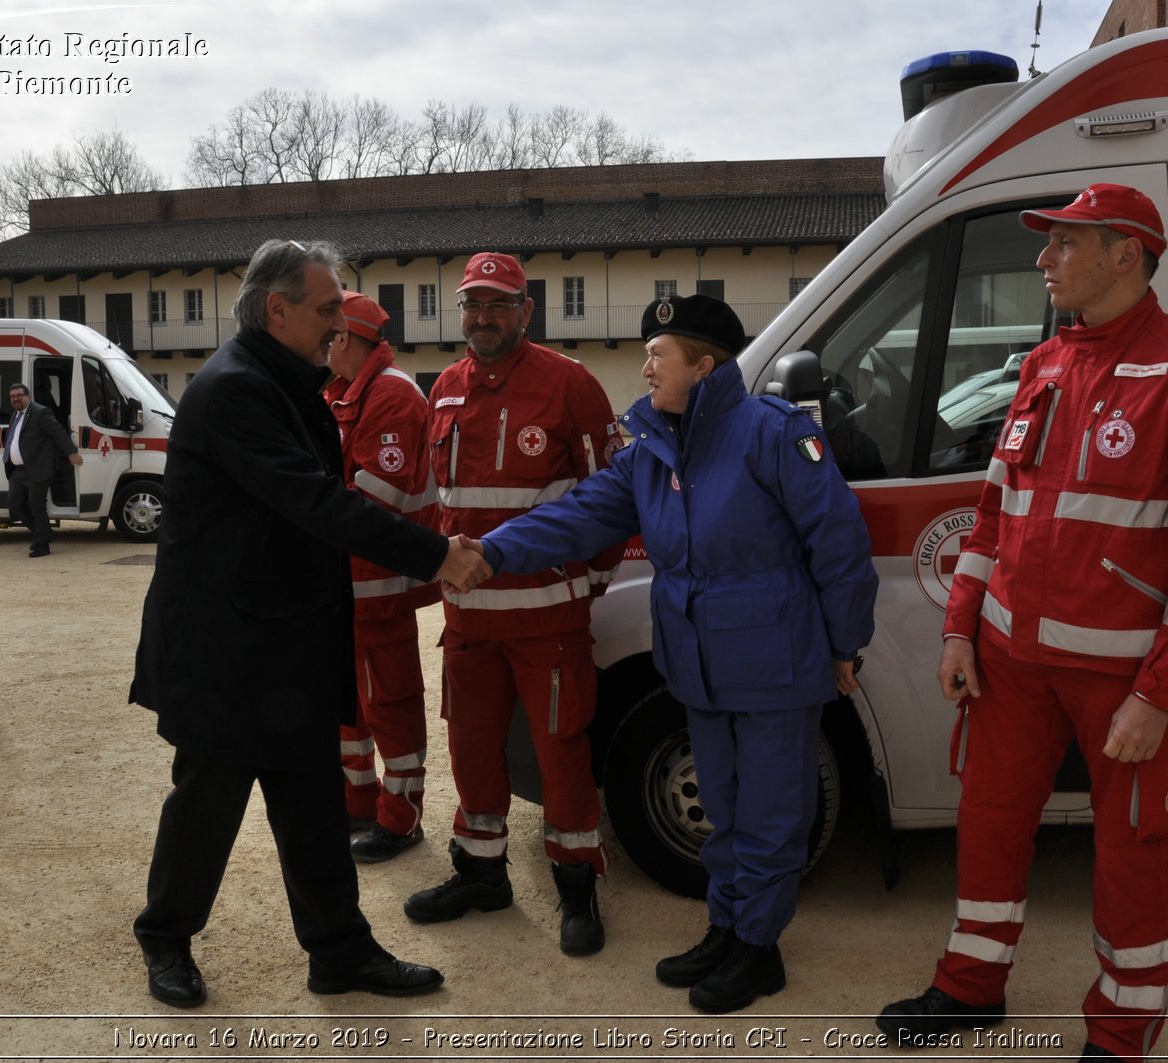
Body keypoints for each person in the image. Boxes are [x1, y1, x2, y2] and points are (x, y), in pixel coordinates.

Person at [875, 185, 1168, 1060]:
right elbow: (994, 512)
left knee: (1131, 854)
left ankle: (1120, 1034)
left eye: (1064, 244)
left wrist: (1158, 693)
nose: (1043, 259)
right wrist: (962, 629)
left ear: (1128, 255)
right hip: (1010, 661)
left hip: (1123, 679)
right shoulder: (1044, 364)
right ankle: (970, 986)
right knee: (989, 823)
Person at [467, 294, 877, 1013]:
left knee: (772, 815)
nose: (647, 364)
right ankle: (728, 929)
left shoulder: (771, 435)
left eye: (661, 353)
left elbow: (839, 545)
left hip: (776, 665)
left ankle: (759, 948)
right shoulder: (653, 449)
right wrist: (490, 552)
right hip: (700, 666)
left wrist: (846, 643)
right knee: (722, 807)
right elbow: (579, 514)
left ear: (704, 363)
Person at [129, 238, 488, 1009]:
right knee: (207, 805)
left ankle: (339, 951)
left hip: (285, 642)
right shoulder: (235, 390)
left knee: (316, 805)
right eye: (328, 308)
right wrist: (437, 554)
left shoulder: (288, 380)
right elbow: (317, 502)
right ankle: (165, 936)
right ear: (276, 308)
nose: (340, 321)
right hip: (226, 649)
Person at [405, 252, 624, 957]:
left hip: (547, 619)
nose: (483, 317)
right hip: (469, 623)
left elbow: (609, 501)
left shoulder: (570, 385)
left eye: (499, 304)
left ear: (526, 312)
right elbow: (441, 505)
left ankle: (576, 884)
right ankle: (480, 870)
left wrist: (585, 587)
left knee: (562, 753)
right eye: (472, 304)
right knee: (471, 748)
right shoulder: (442, 389)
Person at [324, 292, 441, 863]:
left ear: (344, 337)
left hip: (378, 580)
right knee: (348, 698)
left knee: (390, 700)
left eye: (326, 331)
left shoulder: (391, 393)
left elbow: (379, 497)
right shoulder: (346, 391)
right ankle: (359, 800)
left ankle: (402, 816)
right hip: (346, 578)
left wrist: (303, 509)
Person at [3, 382, 82, 557]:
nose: (16, 399)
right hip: (18, 471)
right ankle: (42, 533)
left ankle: (43, 545)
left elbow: (58, 432)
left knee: (36, 506)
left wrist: (71, 453)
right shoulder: (15, 415)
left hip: (37, 469)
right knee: (14, 504)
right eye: (13, 396)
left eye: (19, 395)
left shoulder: (40, 412)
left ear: (27, 396)